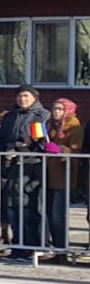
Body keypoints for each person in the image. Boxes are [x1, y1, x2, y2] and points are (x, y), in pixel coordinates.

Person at [0, 86, 52, 259]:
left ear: (34, 97)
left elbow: (41, 142)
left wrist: (22, 147)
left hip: (32, 166)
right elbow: (2, 140)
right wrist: (6, 153)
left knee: (29, 209)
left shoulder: (42, 115)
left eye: (26, 96)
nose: (22, 99)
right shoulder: (10, 116)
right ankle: (17, 246)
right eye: (19, 96)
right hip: (12, 166)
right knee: (12, 208)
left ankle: (31, 246)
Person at [42, 98, 82, 261]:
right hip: (49, 174)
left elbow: (76, 150)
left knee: (58, 216)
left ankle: (62, 251)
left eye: (60, 109)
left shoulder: (74, 126)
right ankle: (57, 250)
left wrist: (60, 149)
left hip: (63, 176)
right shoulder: (50, 125)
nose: (56, 112)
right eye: (54, 109)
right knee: (49, 215)